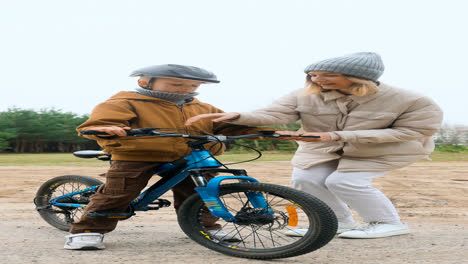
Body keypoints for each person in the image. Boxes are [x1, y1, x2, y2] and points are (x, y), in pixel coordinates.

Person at [185, 52, 443, 239]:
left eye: (328, 75)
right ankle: (339, 222)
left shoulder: (412, 100)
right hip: (319, 147)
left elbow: (416, 131)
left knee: (343, 182)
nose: (317, 79)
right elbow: (275, 114)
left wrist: (336, 136)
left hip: (380, 150)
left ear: (358, 78)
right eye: (313, 75)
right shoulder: (303, 95)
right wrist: (239, 117)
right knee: (306, 180)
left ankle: (387, 222)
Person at [65, 64, 265, 250]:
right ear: (144, 82)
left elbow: (227, 125)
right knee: (120, 191)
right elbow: (101, 122)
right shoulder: (125, 101)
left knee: (200, 190)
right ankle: (87, 230)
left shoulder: (202, 107)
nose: (185, 88)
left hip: (189, 156)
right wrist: (105, 128)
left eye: (193, 85)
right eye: (176, 84)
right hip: (138, 154)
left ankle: (205, 227)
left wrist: (269, 132)